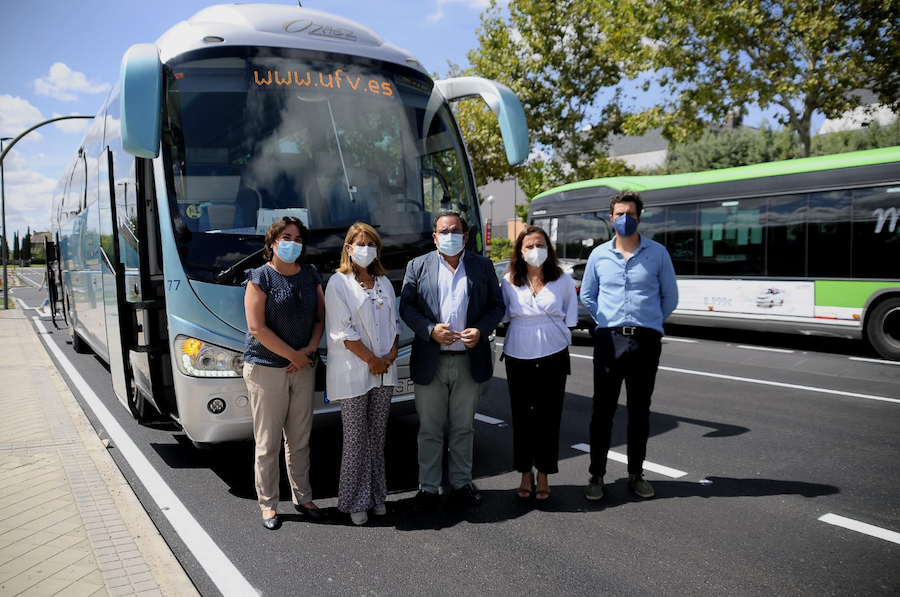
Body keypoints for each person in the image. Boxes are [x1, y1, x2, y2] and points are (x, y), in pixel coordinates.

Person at [399, 210, 505, 510]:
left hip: (468, 361)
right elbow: (406, 307)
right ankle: (428, 488)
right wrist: (430, 330)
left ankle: (461, 482)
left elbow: (497, 307)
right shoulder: (417, 266)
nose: (449, 235)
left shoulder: (482, 266)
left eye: (455, 230)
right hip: (430, 361)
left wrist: (481, 331)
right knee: (429, 430)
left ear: (465, 235)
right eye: (443, 231)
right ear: (434, 236)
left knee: (463, 428)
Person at [580, 191, 678, 501]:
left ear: (639, 216)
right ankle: (596, 475)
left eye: (631, 213)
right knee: (603, 410)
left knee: (640, 411)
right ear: (611, 218)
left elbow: (670, 297)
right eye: (620, 213)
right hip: (610, 340)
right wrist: (607, 322)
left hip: (646, 341)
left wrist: (649, 323)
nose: (625, 218)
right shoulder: (598, 255)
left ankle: (636, 474)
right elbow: (587, 296)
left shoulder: (658, 253)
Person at [243, 216, 326, 530]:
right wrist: (293, 355)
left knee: (300, 439)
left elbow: (320, 317)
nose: (292, 243)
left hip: (302, 368)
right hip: (266, 369)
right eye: (286, 237)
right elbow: (256, 328)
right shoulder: (259, 277)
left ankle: (303, 497)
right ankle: (268, 505)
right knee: (267, 443)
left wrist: (307, 352)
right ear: (273, 241)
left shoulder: (310, 274)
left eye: (297, 238)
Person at [325, 223, 400, 526]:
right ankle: (354, 500)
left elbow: (394, 323)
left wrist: (390, 356)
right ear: (348, 248)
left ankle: (377, 496)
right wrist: (372, 360)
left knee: (377, 437)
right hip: (354, 371)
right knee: (356, 439)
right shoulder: (338, 283)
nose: (366, 248)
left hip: (384, 370)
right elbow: (342, 331)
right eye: (360, 243)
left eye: (371, 243)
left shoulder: (383, 281)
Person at [500, 226, 578, 501]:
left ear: (549, 248)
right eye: (529, 246)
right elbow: (506, 317)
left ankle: (544, 474)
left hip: (553, 353)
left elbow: (570, 317)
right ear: (520, 252)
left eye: (540, 245)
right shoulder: (508, 281)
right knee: (522, 417)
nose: (535, 250)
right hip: (518, 353)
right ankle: (524, 473)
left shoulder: (563, 280)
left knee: (549, 417)